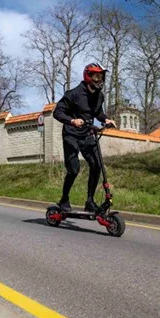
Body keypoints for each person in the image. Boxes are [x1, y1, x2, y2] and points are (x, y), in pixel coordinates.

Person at [53, 63, 117, 213]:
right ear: (88, 76)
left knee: (97, 165)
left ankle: (90, 201)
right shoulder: (74, 94)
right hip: (71, 135)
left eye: (101, 76)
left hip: (87, 134)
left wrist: (105, 119)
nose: (99, 79)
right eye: (96, 76)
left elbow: (97, 112)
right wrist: (72, 121)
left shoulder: (99, 96)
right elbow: (57, 113)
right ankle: (64, 199)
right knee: (74, 170)